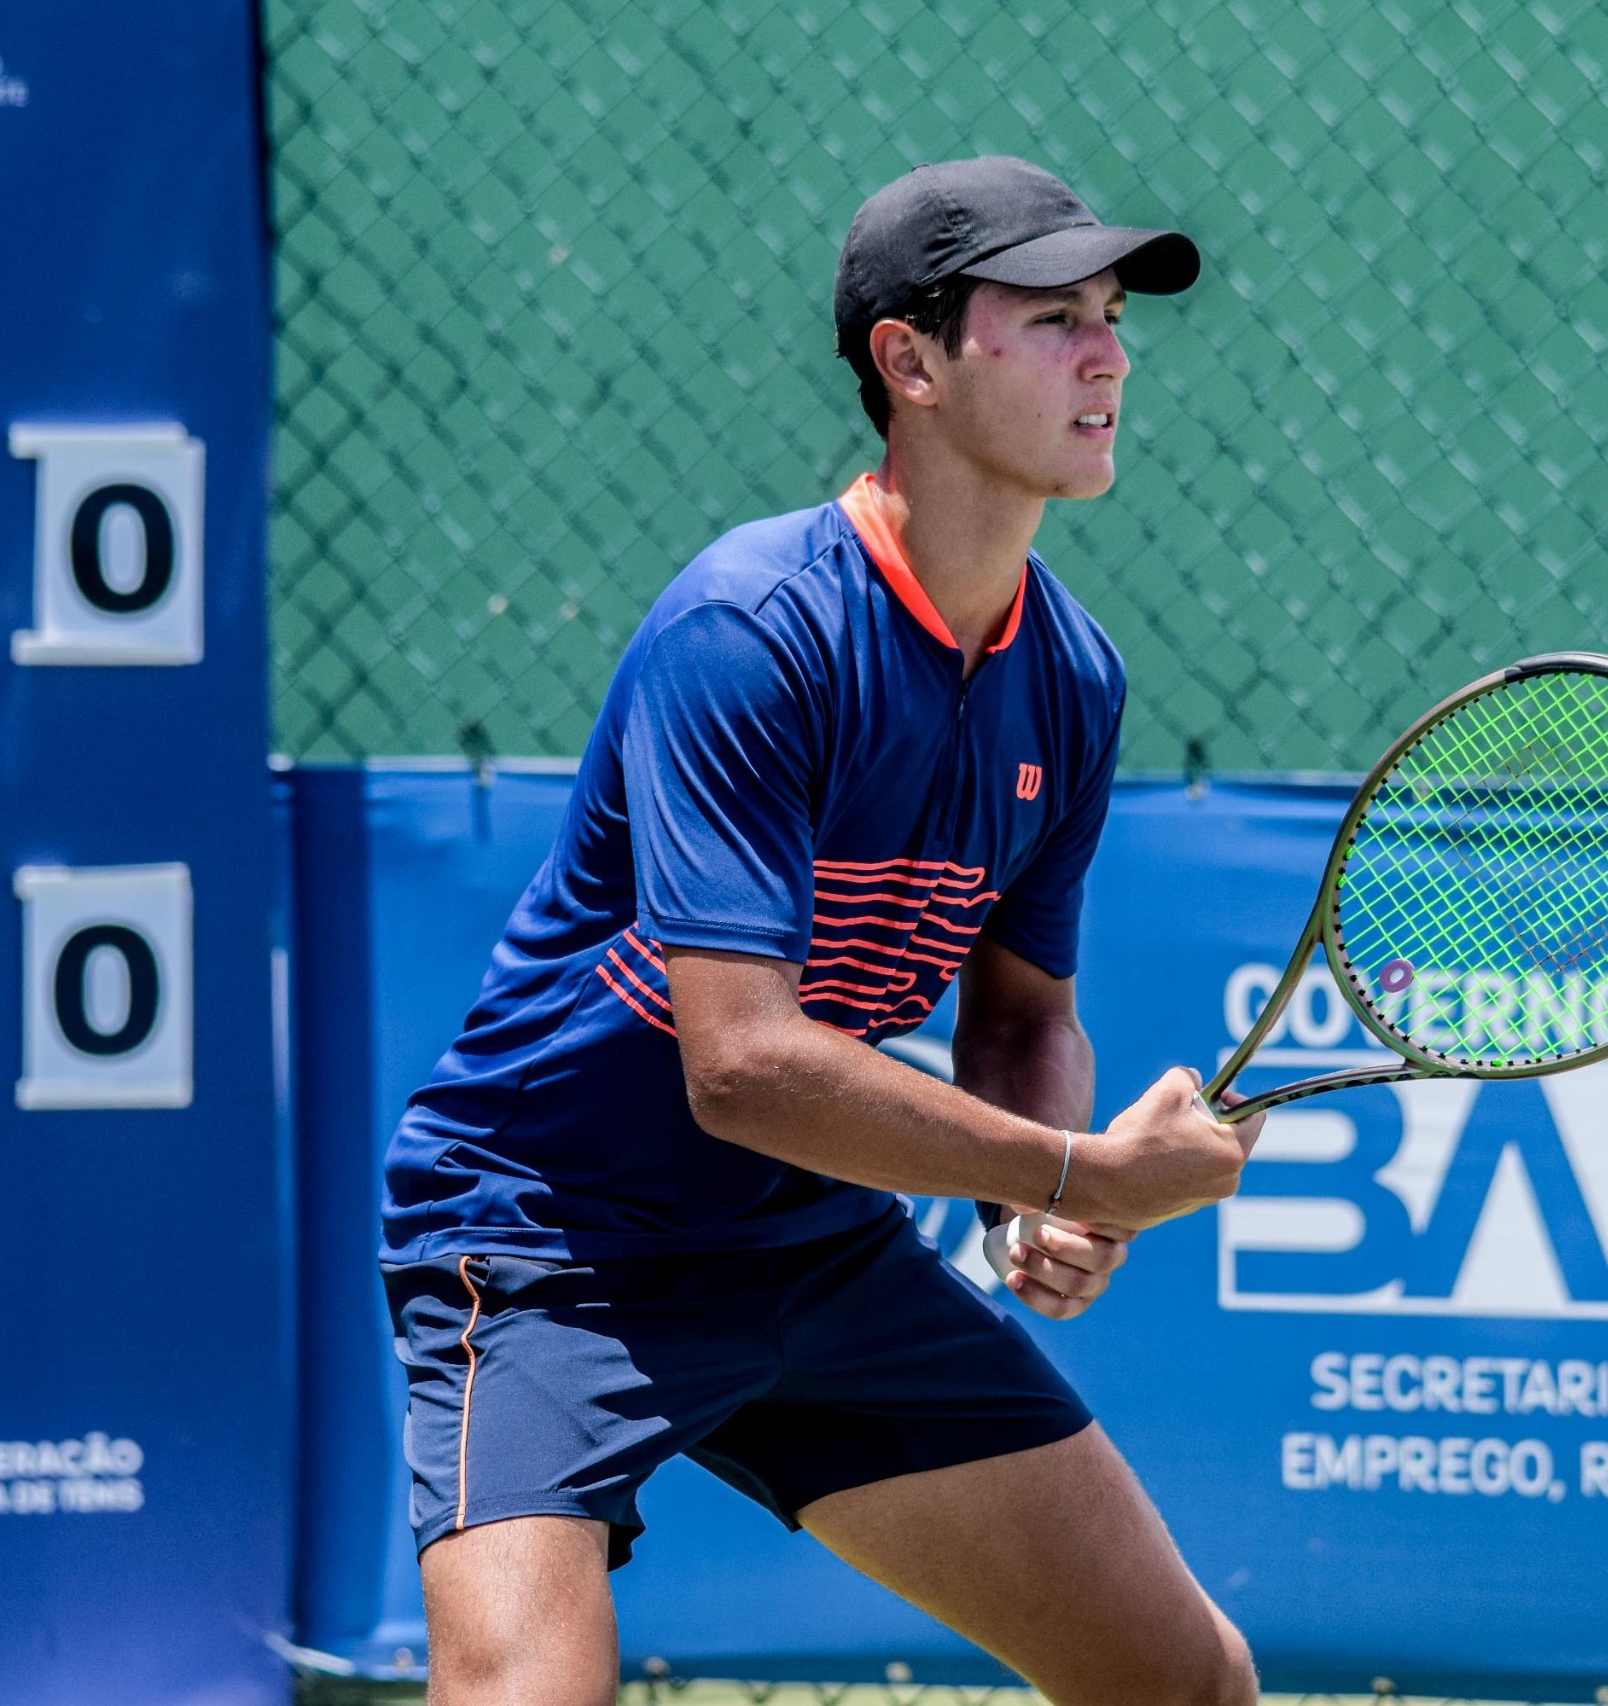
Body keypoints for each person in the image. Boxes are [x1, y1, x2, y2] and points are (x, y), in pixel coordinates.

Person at [382, 155, 1262, 1706]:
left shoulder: (1075, 681)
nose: (1109, 355)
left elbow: (1023, 1016)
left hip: (812, 1240)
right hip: (550, 1245)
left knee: (1182, 1682)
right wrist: (1079, 1170)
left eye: (1113, 317)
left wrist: (1028, 1204)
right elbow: (739, 1063)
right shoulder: (749, 630)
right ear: (908, 361)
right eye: (1054, 317)